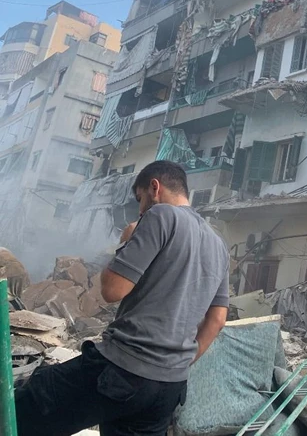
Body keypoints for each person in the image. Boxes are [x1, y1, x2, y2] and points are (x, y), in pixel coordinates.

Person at [14, 160, 230, 436]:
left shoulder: (161, 215)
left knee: (24, 407)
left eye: (140, 199)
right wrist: (176, 364)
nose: (140, 210)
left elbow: (112, 290)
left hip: (124, 370)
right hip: (170, 388)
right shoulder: (218, 244)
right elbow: (217, 320)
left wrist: (127, 240)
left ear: (154, 188)